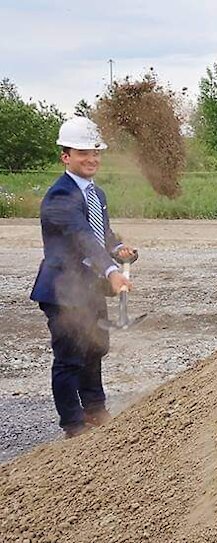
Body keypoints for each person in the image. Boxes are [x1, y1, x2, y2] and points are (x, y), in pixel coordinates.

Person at [30, 117, 136, 439]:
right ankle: (73, 424)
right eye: (82, 153)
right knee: (70, 357)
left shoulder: (96, 194)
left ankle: (94, 409)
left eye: (95, 152)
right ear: (65, 156)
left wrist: (117, 249)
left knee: (95, 347)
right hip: (63, 290)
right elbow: (81, 238)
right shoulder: (60, 197)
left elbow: (100, 235)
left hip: (88, 288)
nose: (91, 159)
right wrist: (112, 272)